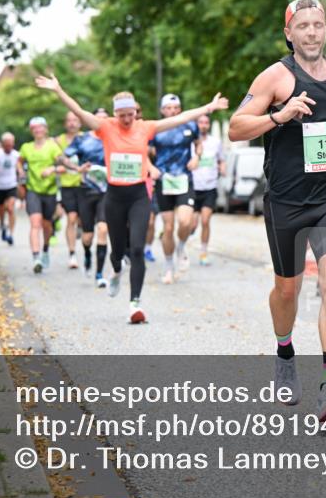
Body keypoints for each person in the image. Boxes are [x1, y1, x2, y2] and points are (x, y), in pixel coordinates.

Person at [228, 0, 326, 422]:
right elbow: (237, 127)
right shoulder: (276, 77)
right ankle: (284, 349)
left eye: (318, 24)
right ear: (289, 33)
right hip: (287, 202)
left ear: (325, 29)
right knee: (287, 290)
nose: (312, 32)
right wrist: (280, 115)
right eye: (303, 26)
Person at [34, 73, 228, 324]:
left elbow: (180, 118)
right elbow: (80, 112)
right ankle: (115, 270)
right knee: (117, 252)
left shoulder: (145, 128)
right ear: (115, 114)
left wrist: (208, 108)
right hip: (114, 197)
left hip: (138, 195)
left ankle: (135, 304)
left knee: (136, 249)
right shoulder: (106, 128)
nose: (127, 119)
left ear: (136, 112)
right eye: (122, 115)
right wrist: (58, 90)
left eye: (131, 114)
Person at [150, 93, 201, 284]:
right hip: (164, 180)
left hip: (184, 179)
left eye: (175, 108)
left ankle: (181, 246)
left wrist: (196, 157)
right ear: (163, 111)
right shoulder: (155, 129)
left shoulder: (190, 126)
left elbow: (198, 145)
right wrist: (151, 167)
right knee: (168, 227)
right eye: (168, 108)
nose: (172, 111)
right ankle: (169, 266)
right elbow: (145, 151)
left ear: (179, 109)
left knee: (186, 222)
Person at [62, 107, 111, 288]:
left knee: (103, 230)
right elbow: (62, 157)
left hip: (107, 192)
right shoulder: (82, 140)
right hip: (86, 192)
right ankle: (87, 253)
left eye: (105, 119)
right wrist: (77, 168)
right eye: (98, 118)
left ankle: (99, 274)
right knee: (87, 237)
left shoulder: (114, 138)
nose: (101, 122)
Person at [17, 117, 64, 273]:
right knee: (35, 223)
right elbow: (19, 161)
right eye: (34, 128)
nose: (37, 130)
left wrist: (52, 169)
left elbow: (63, 166)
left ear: (45, 129)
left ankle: (45, 250)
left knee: (47, 225)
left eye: (40, 127)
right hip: (33, 190)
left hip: (49, 191)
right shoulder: (26, 147)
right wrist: (21, 171)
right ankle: (36, 257)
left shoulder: (53, 147)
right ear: (31, 131)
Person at [191, 114, 226, 266]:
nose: (203, 125)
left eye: (206, 122)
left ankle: (203, 253)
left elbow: (221, 159)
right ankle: (181, 242)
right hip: (192, 187)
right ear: (196, 125)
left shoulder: (216, 142)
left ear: (209, 125)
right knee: (190, 225)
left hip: (210, 187)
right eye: (201, 122)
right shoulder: (190, 142)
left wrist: (223, 168)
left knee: (205, 220)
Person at [56, 111, 85, 270]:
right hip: (67, 185)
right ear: (65, 123)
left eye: (75, 120)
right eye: (69, 120)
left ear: (80, 123)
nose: (72, 123)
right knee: (71, 218)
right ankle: (72, 254)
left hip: (84, 184)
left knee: (83, 220)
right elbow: (55, 159)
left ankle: (82, 226)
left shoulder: (86, 138)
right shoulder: (58, 141)